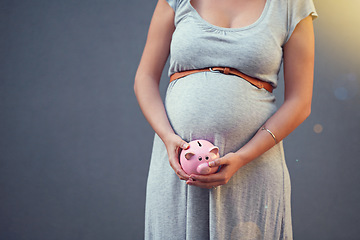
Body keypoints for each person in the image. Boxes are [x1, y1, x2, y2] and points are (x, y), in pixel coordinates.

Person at [134, 0, 317, 239]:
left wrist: (243, 157)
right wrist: (168, 137)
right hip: (178, 167)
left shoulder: (292, 4)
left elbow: (300, 102)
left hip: (253, 169)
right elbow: (144, 78)